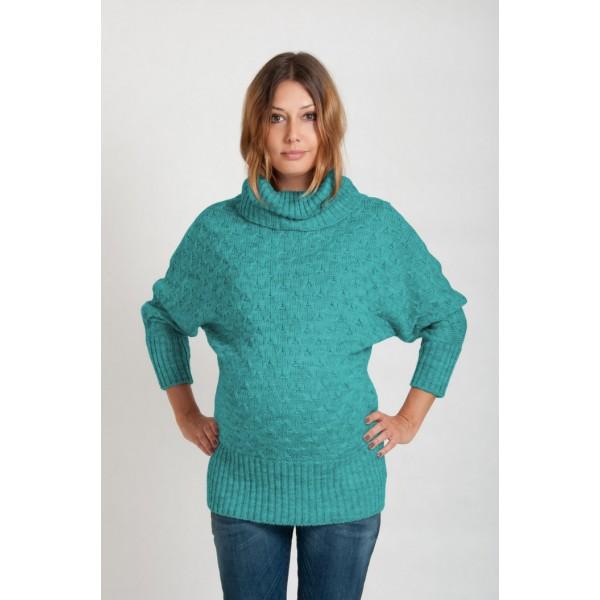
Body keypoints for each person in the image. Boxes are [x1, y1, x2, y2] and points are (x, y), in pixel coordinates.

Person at [140, 51, 468, 600]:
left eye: (308, 116)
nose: (293, 134)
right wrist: (185, 412)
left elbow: (445, 318)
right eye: (277, 117)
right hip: (244, 487)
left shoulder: (372, 228)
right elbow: (163, 317)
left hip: (344, 486)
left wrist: (409, 418)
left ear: (328, 125)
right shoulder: (219, 232)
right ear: (257, 128)